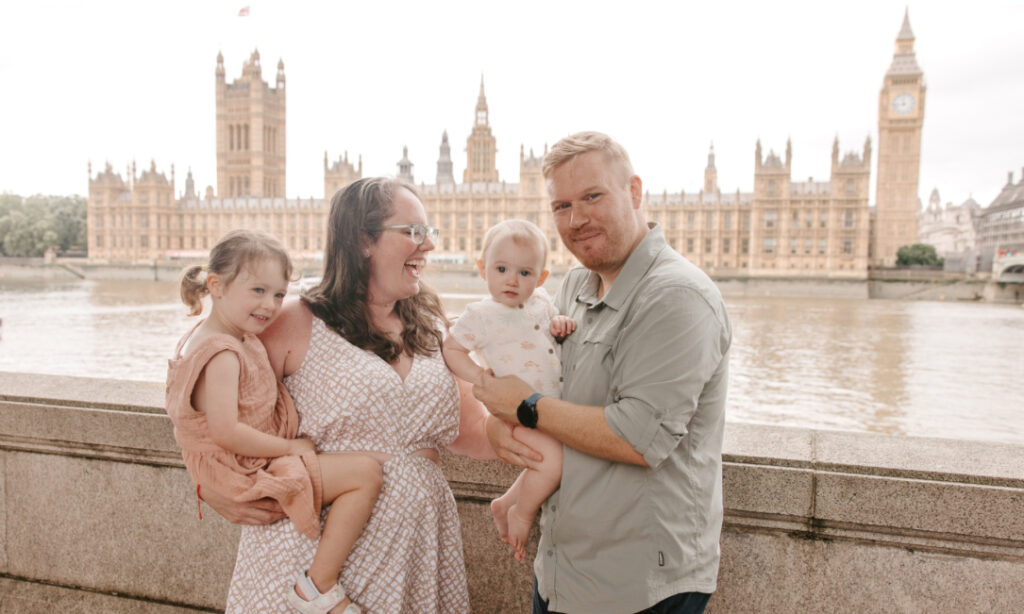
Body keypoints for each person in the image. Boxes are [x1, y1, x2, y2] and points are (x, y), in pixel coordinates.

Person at [198, 178, 495, 614]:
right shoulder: (294, 321)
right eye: (413, 232)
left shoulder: (434, 326)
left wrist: (549, 420)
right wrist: (210, 486)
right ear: (363, 241)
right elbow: (205, 389)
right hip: (307, 567)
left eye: (430, 232)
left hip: (414, 555)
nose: (428, 245)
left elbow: (474, 432)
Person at [474, 131, 732, 614]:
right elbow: (539, 382)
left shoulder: (676, 297)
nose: (576, 219)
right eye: (562, 205)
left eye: (593, 196)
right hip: (562, 570)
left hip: (636, 584)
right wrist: (498, 419)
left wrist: (524, 409)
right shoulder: (571, 286)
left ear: (634, 192)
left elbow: (637, 437)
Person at [165, 229, 381, 614]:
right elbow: (226, 431)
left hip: (237, 463)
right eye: (258, 291)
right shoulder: (223, 354)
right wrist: (290, 446)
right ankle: (318, 587)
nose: (271, 305)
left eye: (279, 294)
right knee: (365, 473)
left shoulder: (219, 336)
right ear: (216, 286)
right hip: (243, 468)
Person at [442, 219, 576, 562]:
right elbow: (452, 349)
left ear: (541, 278)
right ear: (482, 269)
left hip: (549, 407)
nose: (512, 280)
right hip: (518, 413)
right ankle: (523, 512)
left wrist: (559, 324)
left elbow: (549, 330)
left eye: (525, 273)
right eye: (501, 269)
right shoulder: (481, 315)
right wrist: (479, 378)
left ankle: (503, 504)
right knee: (553, 462)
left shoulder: (542, 302)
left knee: (554, 454)